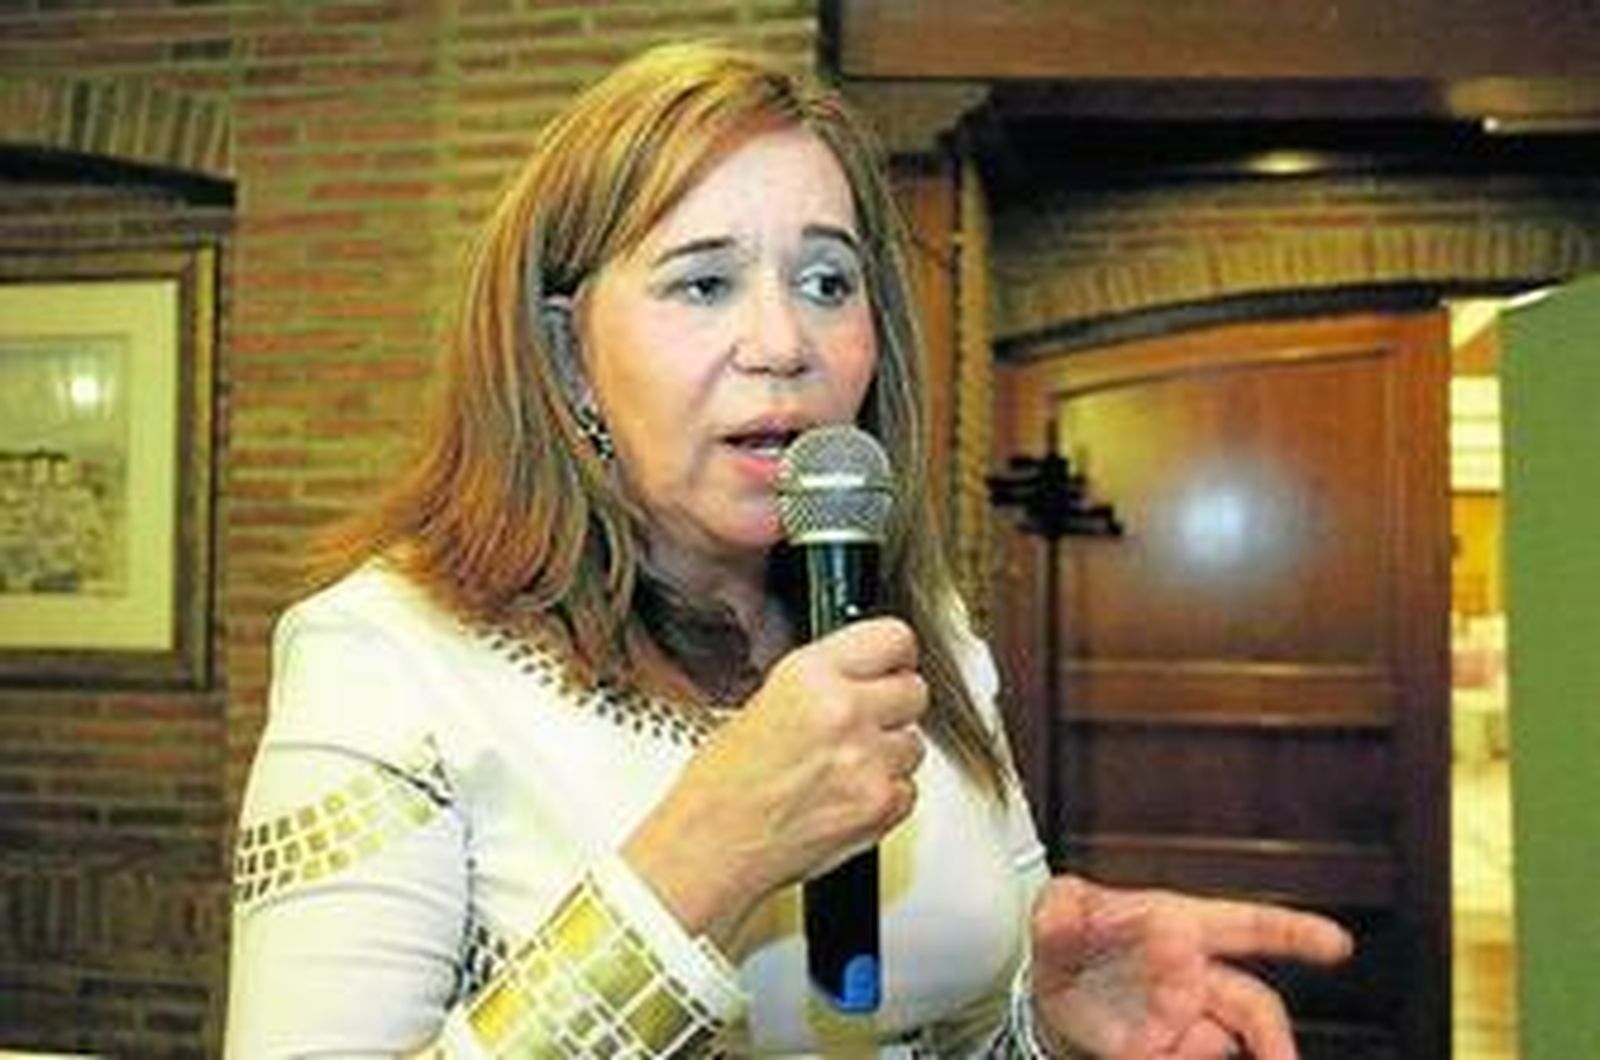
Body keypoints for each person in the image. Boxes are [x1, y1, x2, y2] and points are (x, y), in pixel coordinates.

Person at [225, 40, 1352, 1059]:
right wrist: (704, 854)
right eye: (703, 282)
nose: (782, 342)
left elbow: (941, 1029)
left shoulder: (921, 630)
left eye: (826, 282)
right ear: (568, 361)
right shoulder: (383, 655)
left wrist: (1045, 1027)